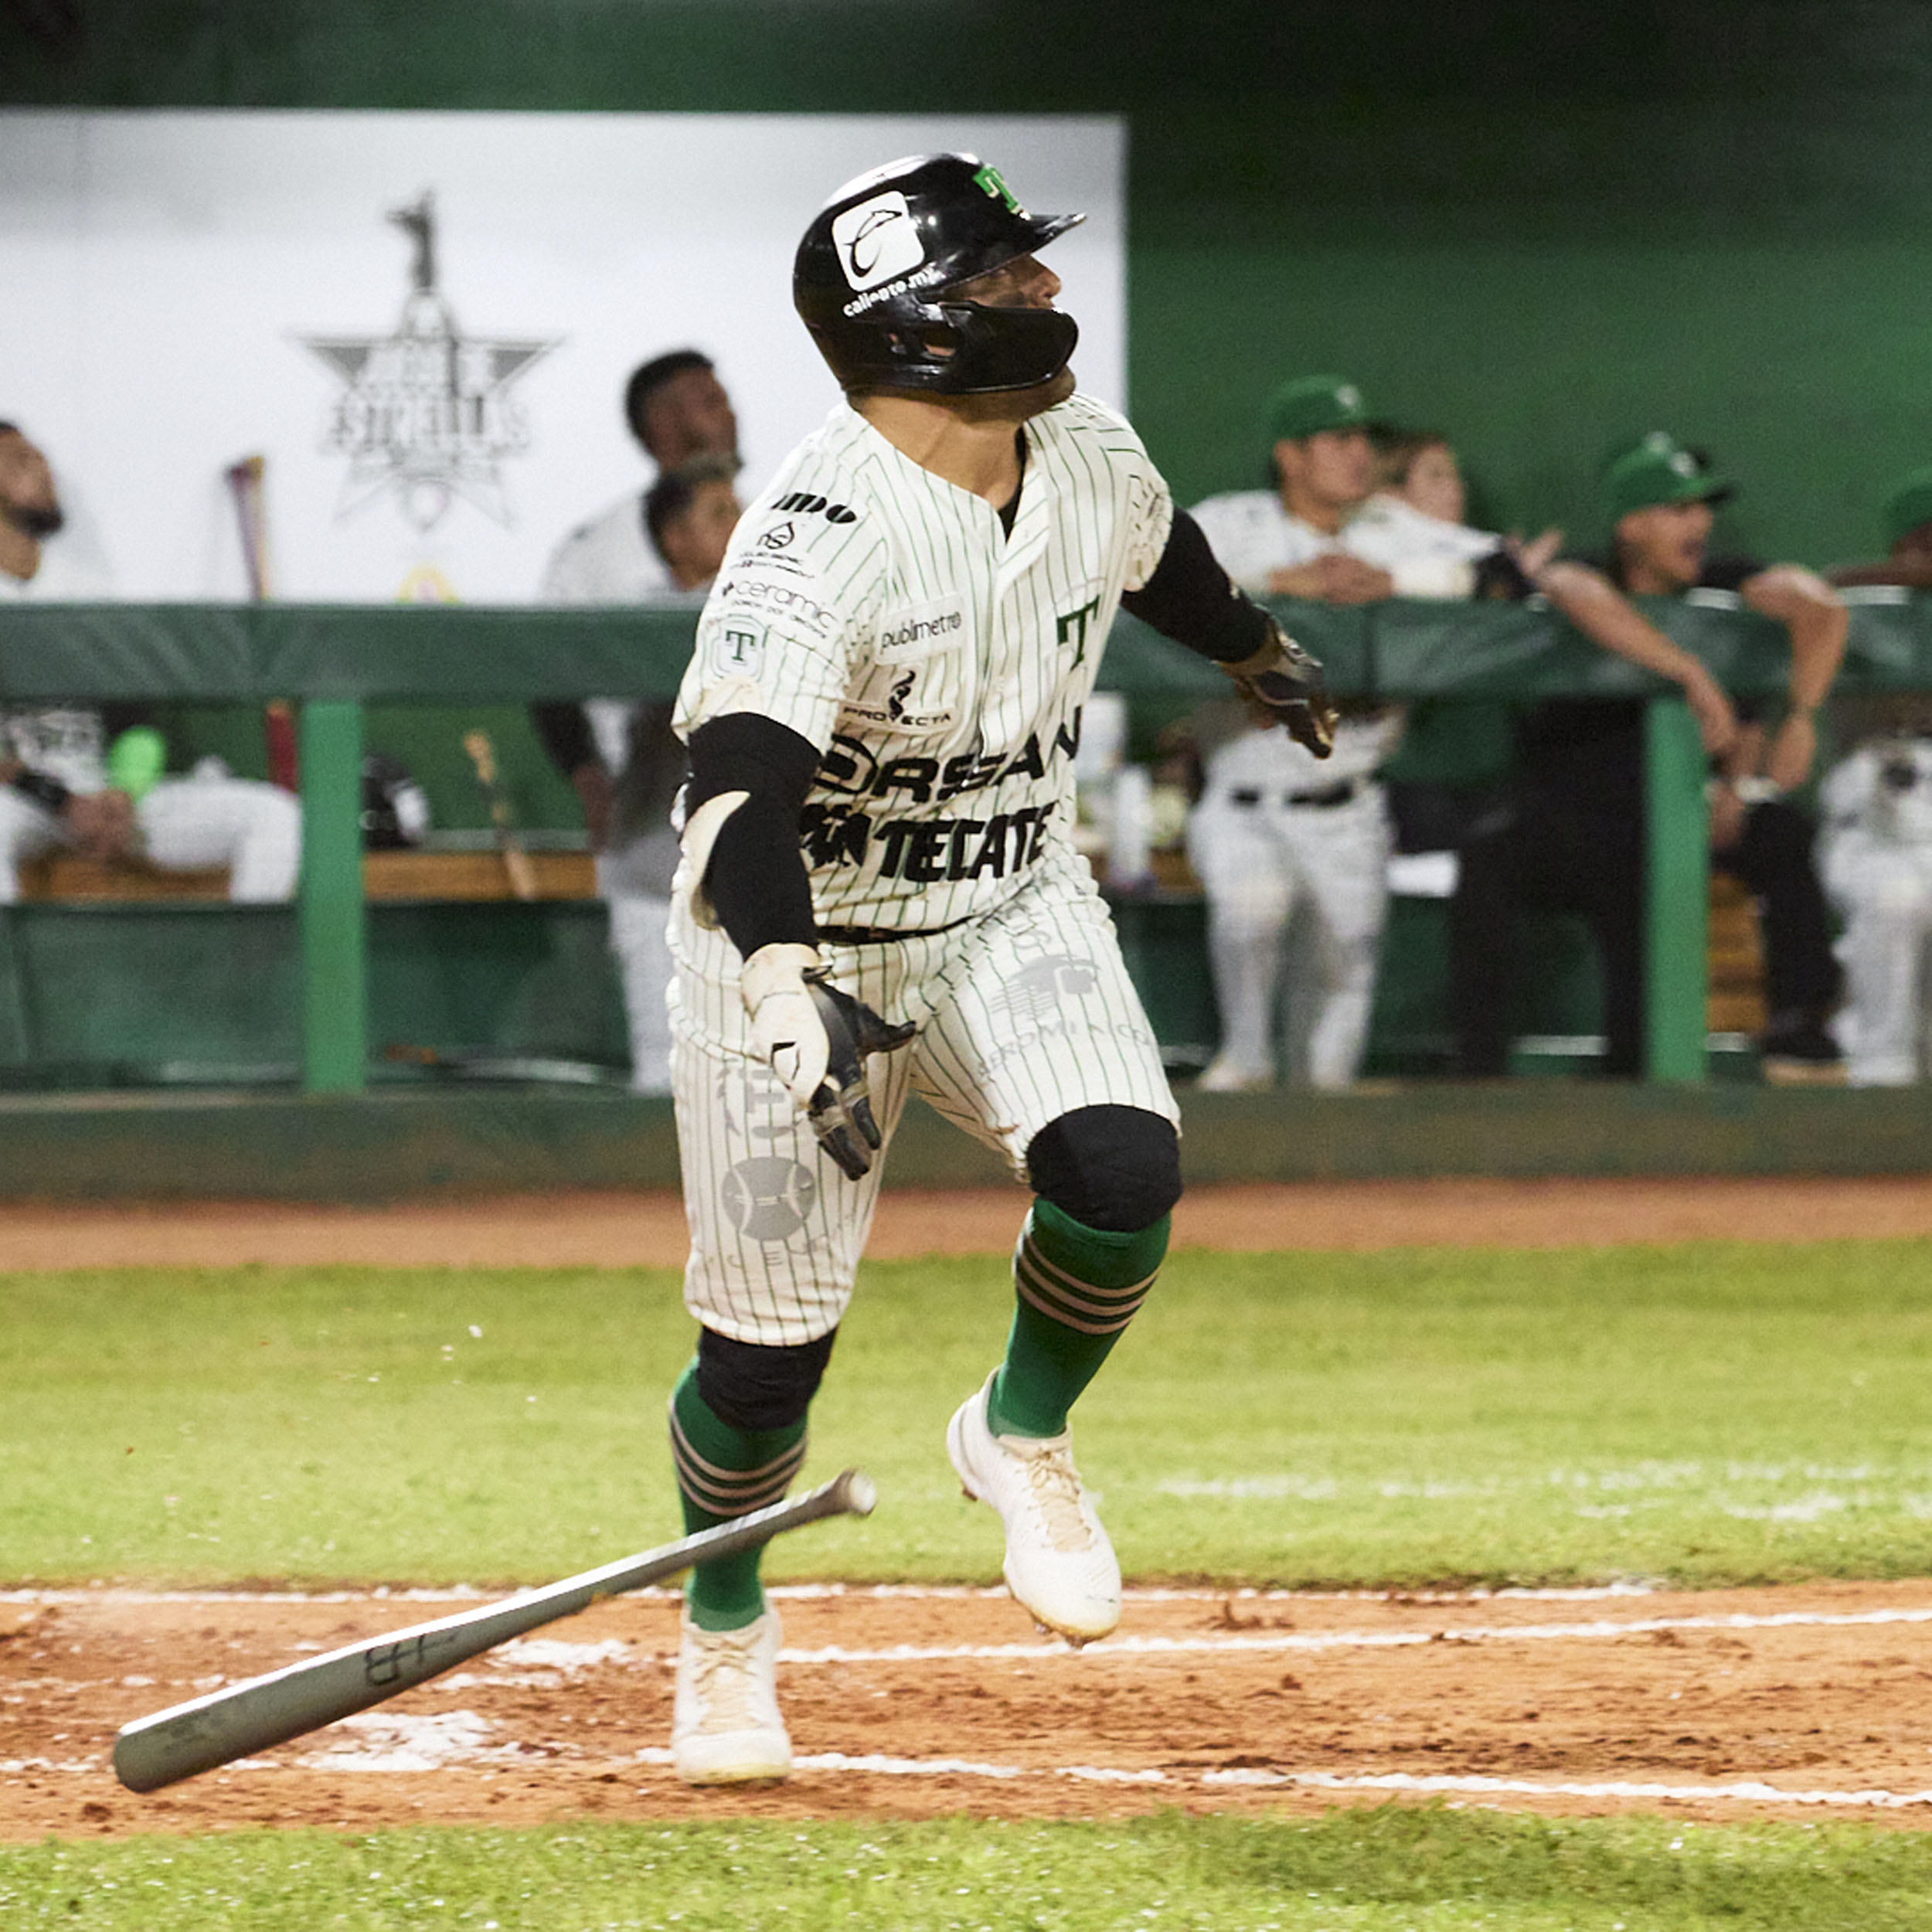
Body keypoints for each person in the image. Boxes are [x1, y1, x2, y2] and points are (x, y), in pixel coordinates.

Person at [658, 151, 1335, 1785]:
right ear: (907, 327)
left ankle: (1017, 1430)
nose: (1036, 297)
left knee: (1122, 1168)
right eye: (997, 282)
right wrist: (775, 982)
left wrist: (1249, 649)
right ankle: (724, 1633)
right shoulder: (812, 536)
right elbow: (737, 785)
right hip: (791, 949)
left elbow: (1151, 554)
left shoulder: (1080, 450)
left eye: (1027, 273)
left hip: (1008, 901)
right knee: (764, 1366)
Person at [1451, 431, 1847, 1080]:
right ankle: (1480, 1071)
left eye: (1703, 508)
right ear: (1632, 525)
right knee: (1490, 857)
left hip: (1682, 812)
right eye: (1679, 509)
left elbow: (1818, 605)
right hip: (1579, 819)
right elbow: (1571, 588)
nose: (1702, 522)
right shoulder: (1591, 571)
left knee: (1780, 832)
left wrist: (1800, 717)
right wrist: (1686, 670)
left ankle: (1799, 1032)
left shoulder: (1724, 578)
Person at [1183, 383, 1536, 1090]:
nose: (1358, 455)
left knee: (1342, 987)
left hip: (1349, 803)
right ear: (1290, 454)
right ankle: (1244, 1065)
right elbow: (1141, 574)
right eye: (1337, 440)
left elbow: (1507, 574)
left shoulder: (1391, 528)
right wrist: (1276, 583)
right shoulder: (1231, 523)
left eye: (1362, 441)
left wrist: (1395, 579)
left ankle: (1323, 1165)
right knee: (1253, 915)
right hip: (1244, 793)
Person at [534, 352, 743, 1093]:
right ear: (660, 421)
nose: (725, 410)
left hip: (753, 831)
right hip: (649, 822)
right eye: (703, 400)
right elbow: (542, 676)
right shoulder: (603, 551)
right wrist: (587, 778)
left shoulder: (775, 534)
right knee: (667, 1058)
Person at [0, 422, 300, 903]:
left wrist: (122, 795)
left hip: (105, 797)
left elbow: (137, 723)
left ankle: (245, 980)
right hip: (22, 802)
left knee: (276, 817)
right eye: (20, 461)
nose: (43, 469)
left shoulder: (87, 593)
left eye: (42, 458)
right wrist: (61, 802)